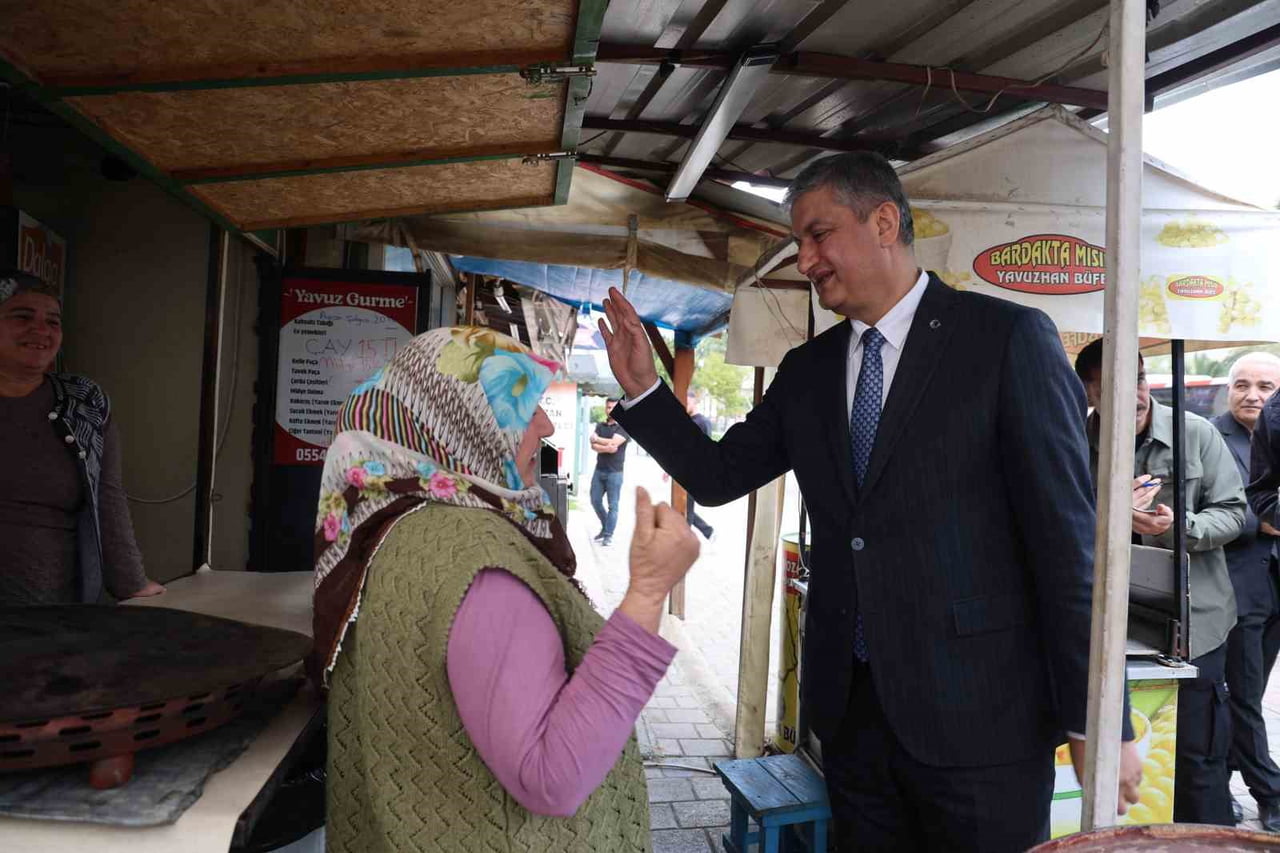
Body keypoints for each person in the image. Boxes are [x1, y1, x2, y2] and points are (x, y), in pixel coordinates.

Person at [599, 152, 1139, 852]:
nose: (806, 258)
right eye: (799, 242)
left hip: (983, 726)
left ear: (884, 221)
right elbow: (717, 473)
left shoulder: (1006, 340)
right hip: (853, 723)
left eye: (819, 234)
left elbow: (1070, 545)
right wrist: (646, 390)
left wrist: (1098, 715)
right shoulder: (808, 371)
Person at [314, 326, 699, 852]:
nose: (542, 427)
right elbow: (552, 776)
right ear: (457, 420)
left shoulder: (388, 526)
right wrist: (649, 592)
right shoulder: (474, 556)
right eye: (522, 408)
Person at [1076, 340, 1245, 825]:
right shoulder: (1072, 439)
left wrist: (1178, 526)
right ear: (1089, 391)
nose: (1133, 397)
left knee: (1197, 760)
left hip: (1194, 625)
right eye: (1111, 388)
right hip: (1108, 623)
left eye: (1140, 381)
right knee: (1120, 757)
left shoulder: (1195, 434)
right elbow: (1056, 523)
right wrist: (1107, 516)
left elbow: (1234, 514)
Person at [0, 269, 163, 605]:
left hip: (58, 614)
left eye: (53, 321)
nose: (41, 330)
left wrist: (132, 583)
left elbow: (108, 497)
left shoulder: (83, 400)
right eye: (22, 316)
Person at [1213, 353, 1280, 830]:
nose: (1253, 395)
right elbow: (1199, 508)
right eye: (1242, 384)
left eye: (1265, 386)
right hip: (1237, 587)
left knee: (1250, 696)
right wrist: (1258, 519)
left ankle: (1225, 779)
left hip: (1274, 588)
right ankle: (1269, 794)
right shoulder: (1208, 435)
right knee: (1243, 695)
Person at [588, 397, 628, 545]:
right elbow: (593, 445)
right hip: (599, 470)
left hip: (615, 473)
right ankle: (606, 527)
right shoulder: (600, 425)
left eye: (613, 407)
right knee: (595, 501)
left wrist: (598, 440)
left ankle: (608, 535)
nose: (610, 410)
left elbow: (614, 443)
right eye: (608, 407)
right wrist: (605, 447)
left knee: (613, 505)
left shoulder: (624, 426)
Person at [684, 391, 714, 541]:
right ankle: (707, 531)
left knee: (686, 508)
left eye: (687, 403)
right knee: (685, 507)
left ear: (694, 403)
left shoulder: (703, 422)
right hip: (684, 470)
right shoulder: (687, 421)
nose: (684, 406)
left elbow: (706, 449)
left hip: (695, 472)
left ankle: (687, 540)